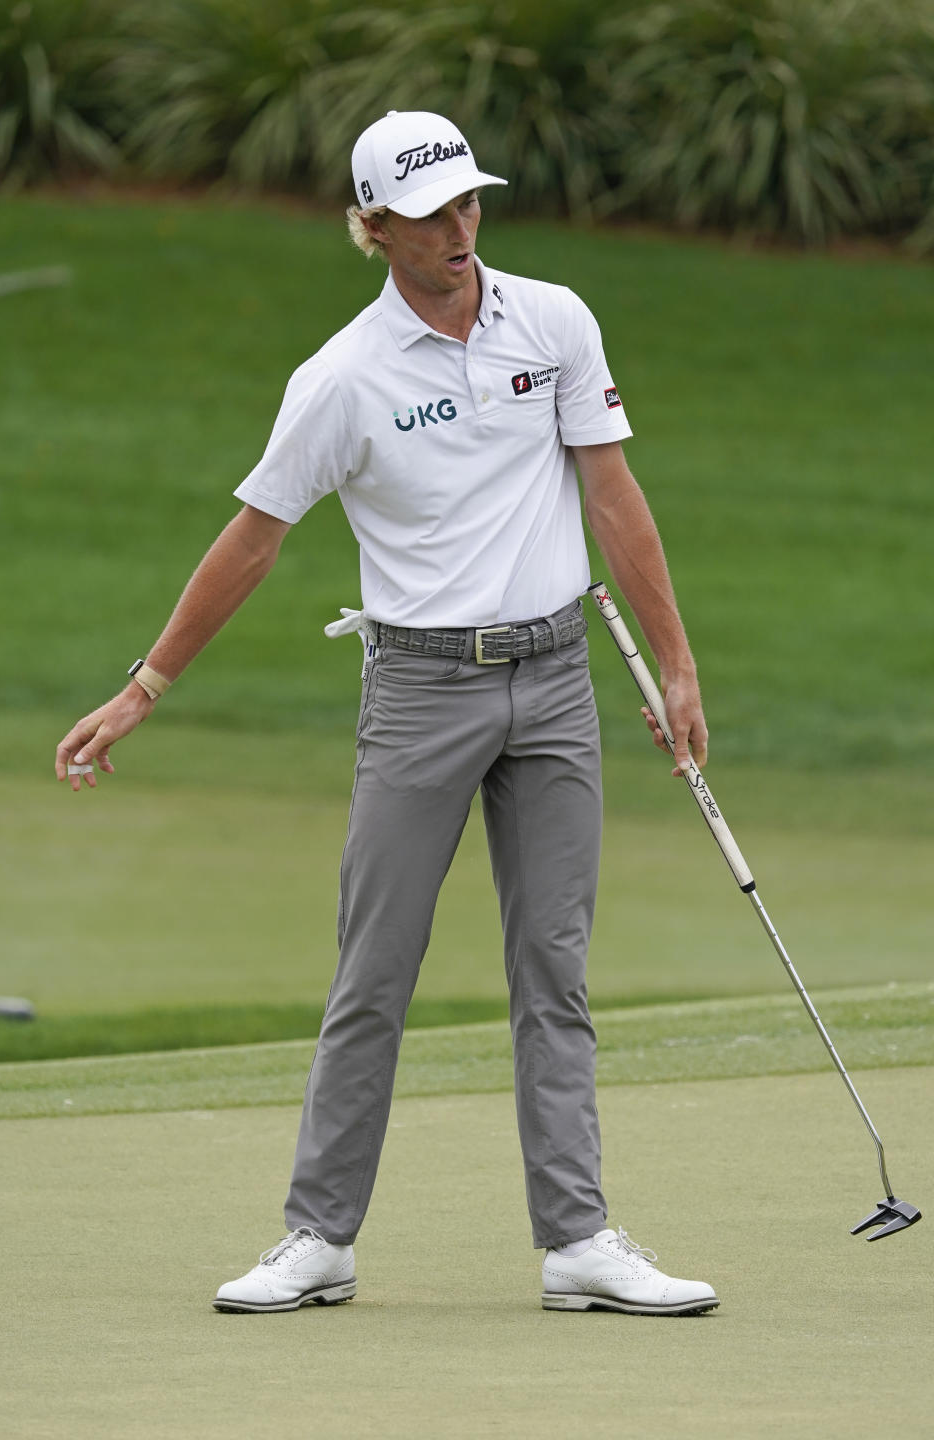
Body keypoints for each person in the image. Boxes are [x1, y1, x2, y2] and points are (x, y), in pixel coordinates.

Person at [55, 110, 718, 1317]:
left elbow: (613, 497)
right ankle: (320, 1235)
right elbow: (252, 544)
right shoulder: (341, 382)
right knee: (377, 969)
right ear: (373, 229)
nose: (460, 229)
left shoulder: (555, 321)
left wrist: (675, 665)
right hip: (420, 691)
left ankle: (577, 1241)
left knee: (553, 969)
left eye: (470, 203)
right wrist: (143, 688)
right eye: (430, 214)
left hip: (559, 678)